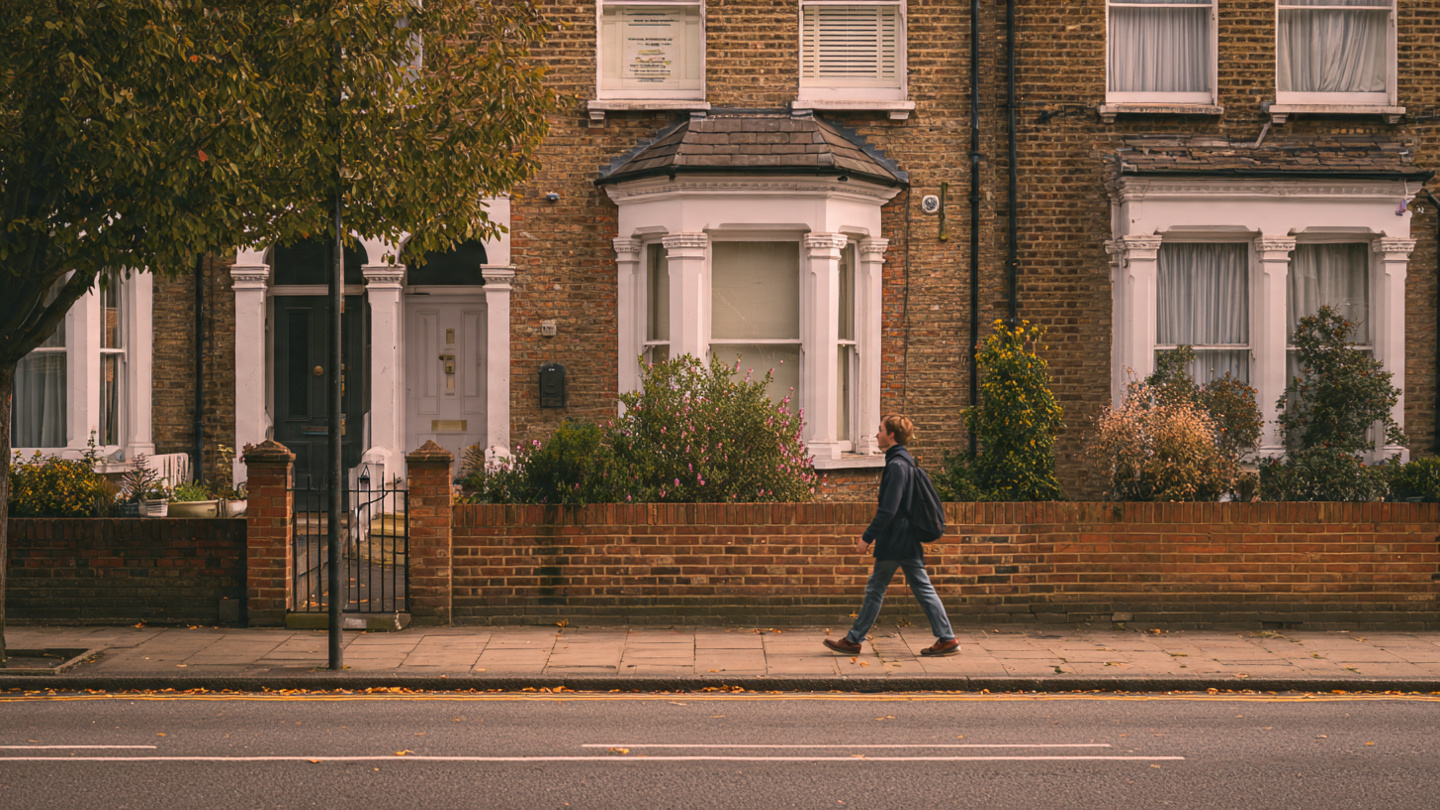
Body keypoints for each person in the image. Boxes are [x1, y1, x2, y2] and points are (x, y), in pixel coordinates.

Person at [824, 414, 959, 657]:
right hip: (903, 539)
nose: (877, 434)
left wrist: (867, 537)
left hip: (897, 539)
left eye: (880, 430)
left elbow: (889, 509)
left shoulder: (897, 465)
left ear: (892, 435)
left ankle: (855, 640)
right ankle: (946, 638)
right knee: (907, 586)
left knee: (881, 588)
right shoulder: (903, 462)